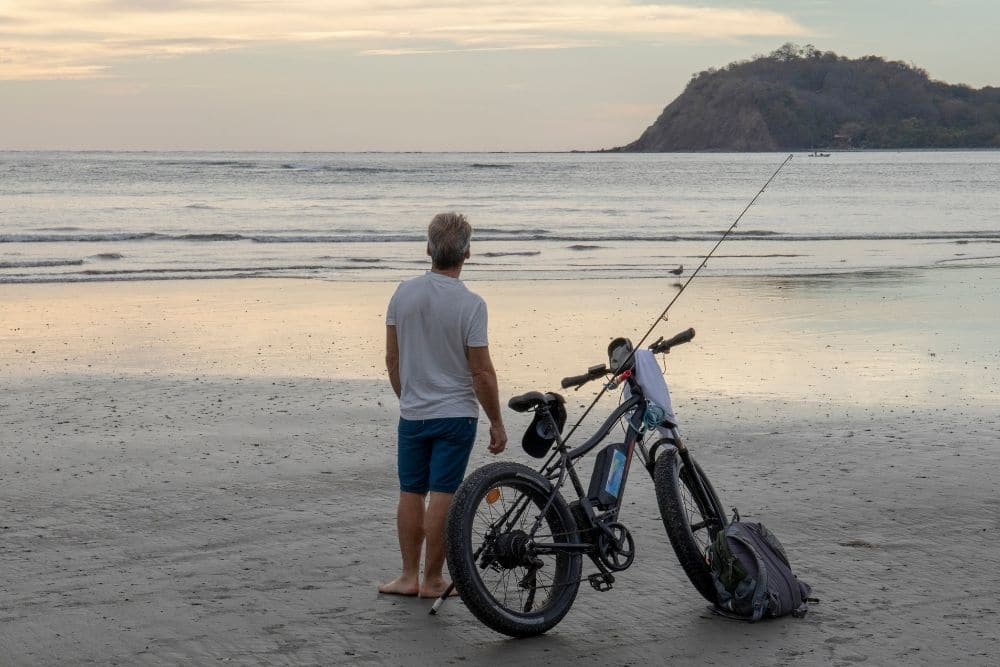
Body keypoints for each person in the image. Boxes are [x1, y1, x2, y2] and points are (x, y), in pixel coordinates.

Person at [379, 212, 508, 598]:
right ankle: (433, 579)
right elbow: (481, 372)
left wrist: (409, 397)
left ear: (428, 249)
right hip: (456, 415)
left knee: (410, 491)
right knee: (443, 494)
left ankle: (407, 575)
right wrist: (497, 422)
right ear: (467, 253)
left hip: (414, 413)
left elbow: (392, 359)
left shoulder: (402, 293)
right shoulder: (471, 304)